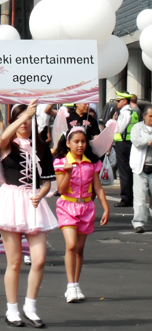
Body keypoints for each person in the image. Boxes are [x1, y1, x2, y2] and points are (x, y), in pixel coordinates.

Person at [0, 100, 57, 328]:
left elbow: (47, 181)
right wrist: (24, 115)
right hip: (11, 201)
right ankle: (12, 309)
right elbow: (3, 137)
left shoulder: (41, 146)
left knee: (40, 259)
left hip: (33, 203)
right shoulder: (6, 144)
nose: (25, 123)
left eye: (28, 119)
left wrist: (41, 193)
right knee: (14, 262)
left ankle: (30, 306)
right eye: (20, 118)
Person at [53, 127, 109, 303]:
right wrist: (68, 172)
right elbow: (61, 189)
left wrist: (105, 207)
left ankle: (76, 284)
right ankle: (70, 286)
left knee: (79, 249)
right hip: (67, 206)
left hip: (86, 208)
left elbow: (98, 188)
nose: (80, 145)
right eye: (76, 141)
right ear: (68, 143)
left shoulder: (91, 163)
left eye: (83, 141)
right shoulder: (62, 163)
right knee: (70, 245)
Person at [110, 91, 138, 207]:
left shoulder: (124, 113)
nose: (117, 103)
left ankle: (126, 198)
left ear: (125, 101)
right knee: (129, 171)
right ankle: (129, 197)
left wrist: (113, 121)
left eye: (119, 101)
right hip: (128, 143)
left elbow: (119, 129)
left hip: (123, 143)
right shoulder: (132, 112)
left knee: (124, 172)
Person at [129, 105, 152, 233]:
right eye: (150, 116)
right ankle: (139, 223)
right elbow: (136, 141)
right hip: (140, 167)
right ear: (144, 116)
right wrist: (149, 139)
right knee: (140, 197)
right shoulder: (137, 127)